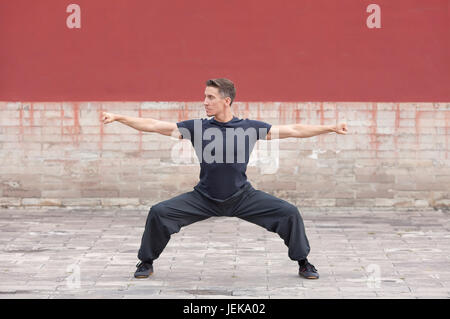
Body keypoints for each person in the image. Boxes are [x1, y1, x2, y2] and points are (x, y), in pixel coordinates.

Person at [102, 78, 348, 280]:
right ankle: (146, 261)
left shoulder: (250, 127)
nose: (205, 102)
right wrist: (119, 118)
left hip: (243, 197)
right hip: (203, 197)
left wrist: (331, 127)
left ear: (226, 101)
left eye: (210, 97)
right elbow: (155, 125)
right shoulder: (197, 127)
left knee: (289, 212)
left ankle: (303, 262)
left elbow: (294, 130)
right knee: (158, 212)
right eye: (205, 96)